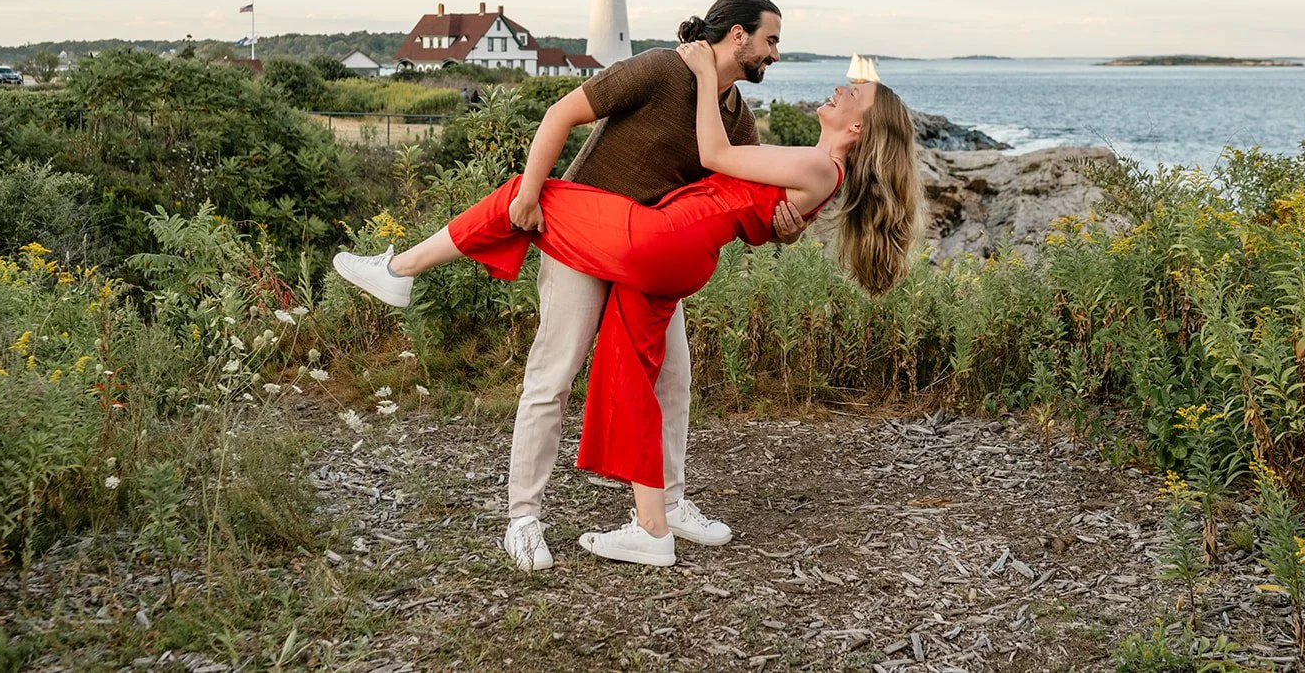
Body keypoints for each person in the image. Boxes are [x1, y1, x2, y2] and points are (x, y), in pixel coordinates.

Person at [333, 35, 922, 568]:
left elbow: (717, 160)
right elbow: (758, 209)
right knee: (630, 377)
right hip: (666, 247)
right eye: (771, 37)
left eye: (856, 92)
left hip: (656, 241)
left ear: (860, 130)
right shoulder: (789, 147)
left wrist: (701, 81)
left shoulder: (801, 153)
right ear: (736, 34)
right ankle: (636, 524)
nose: (841, 86)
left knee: (528, 192)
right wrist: (783, 224)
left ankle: (399, 268)